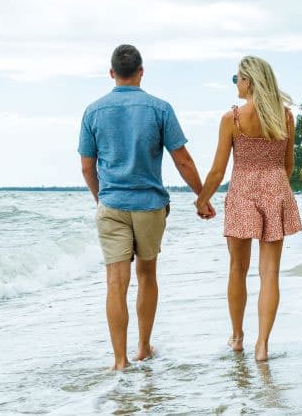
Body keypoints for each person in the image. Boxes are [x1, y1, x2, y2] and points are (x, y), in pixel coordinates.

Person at [79, 44, 215, 371]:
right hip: (150, 206)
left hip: (112, 204)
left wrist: (102, 199)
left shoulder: (93, 111)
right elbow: (182, 159)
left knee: (116, 281)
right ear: (141, 71)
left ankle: (119, 361)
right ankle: (143, 348)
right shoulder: (160, 109)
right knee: (147, 274)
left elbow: (87, 167)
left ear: (112, 73)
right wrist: (201, 196)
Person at [196, 55, 302, 362]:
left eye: (237, 79)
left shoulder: (232, 119)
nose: (236, 85)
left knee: (237, 269)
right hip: (275, 187)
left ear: (249, 81)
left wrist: (203, 199)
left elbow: (218, 171)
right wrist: (275, 183)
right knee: (270, 273)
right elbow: (288, 164)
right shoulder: (285, 117)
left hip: (242, 190)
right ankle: (263, 345)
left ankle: (238, 336)